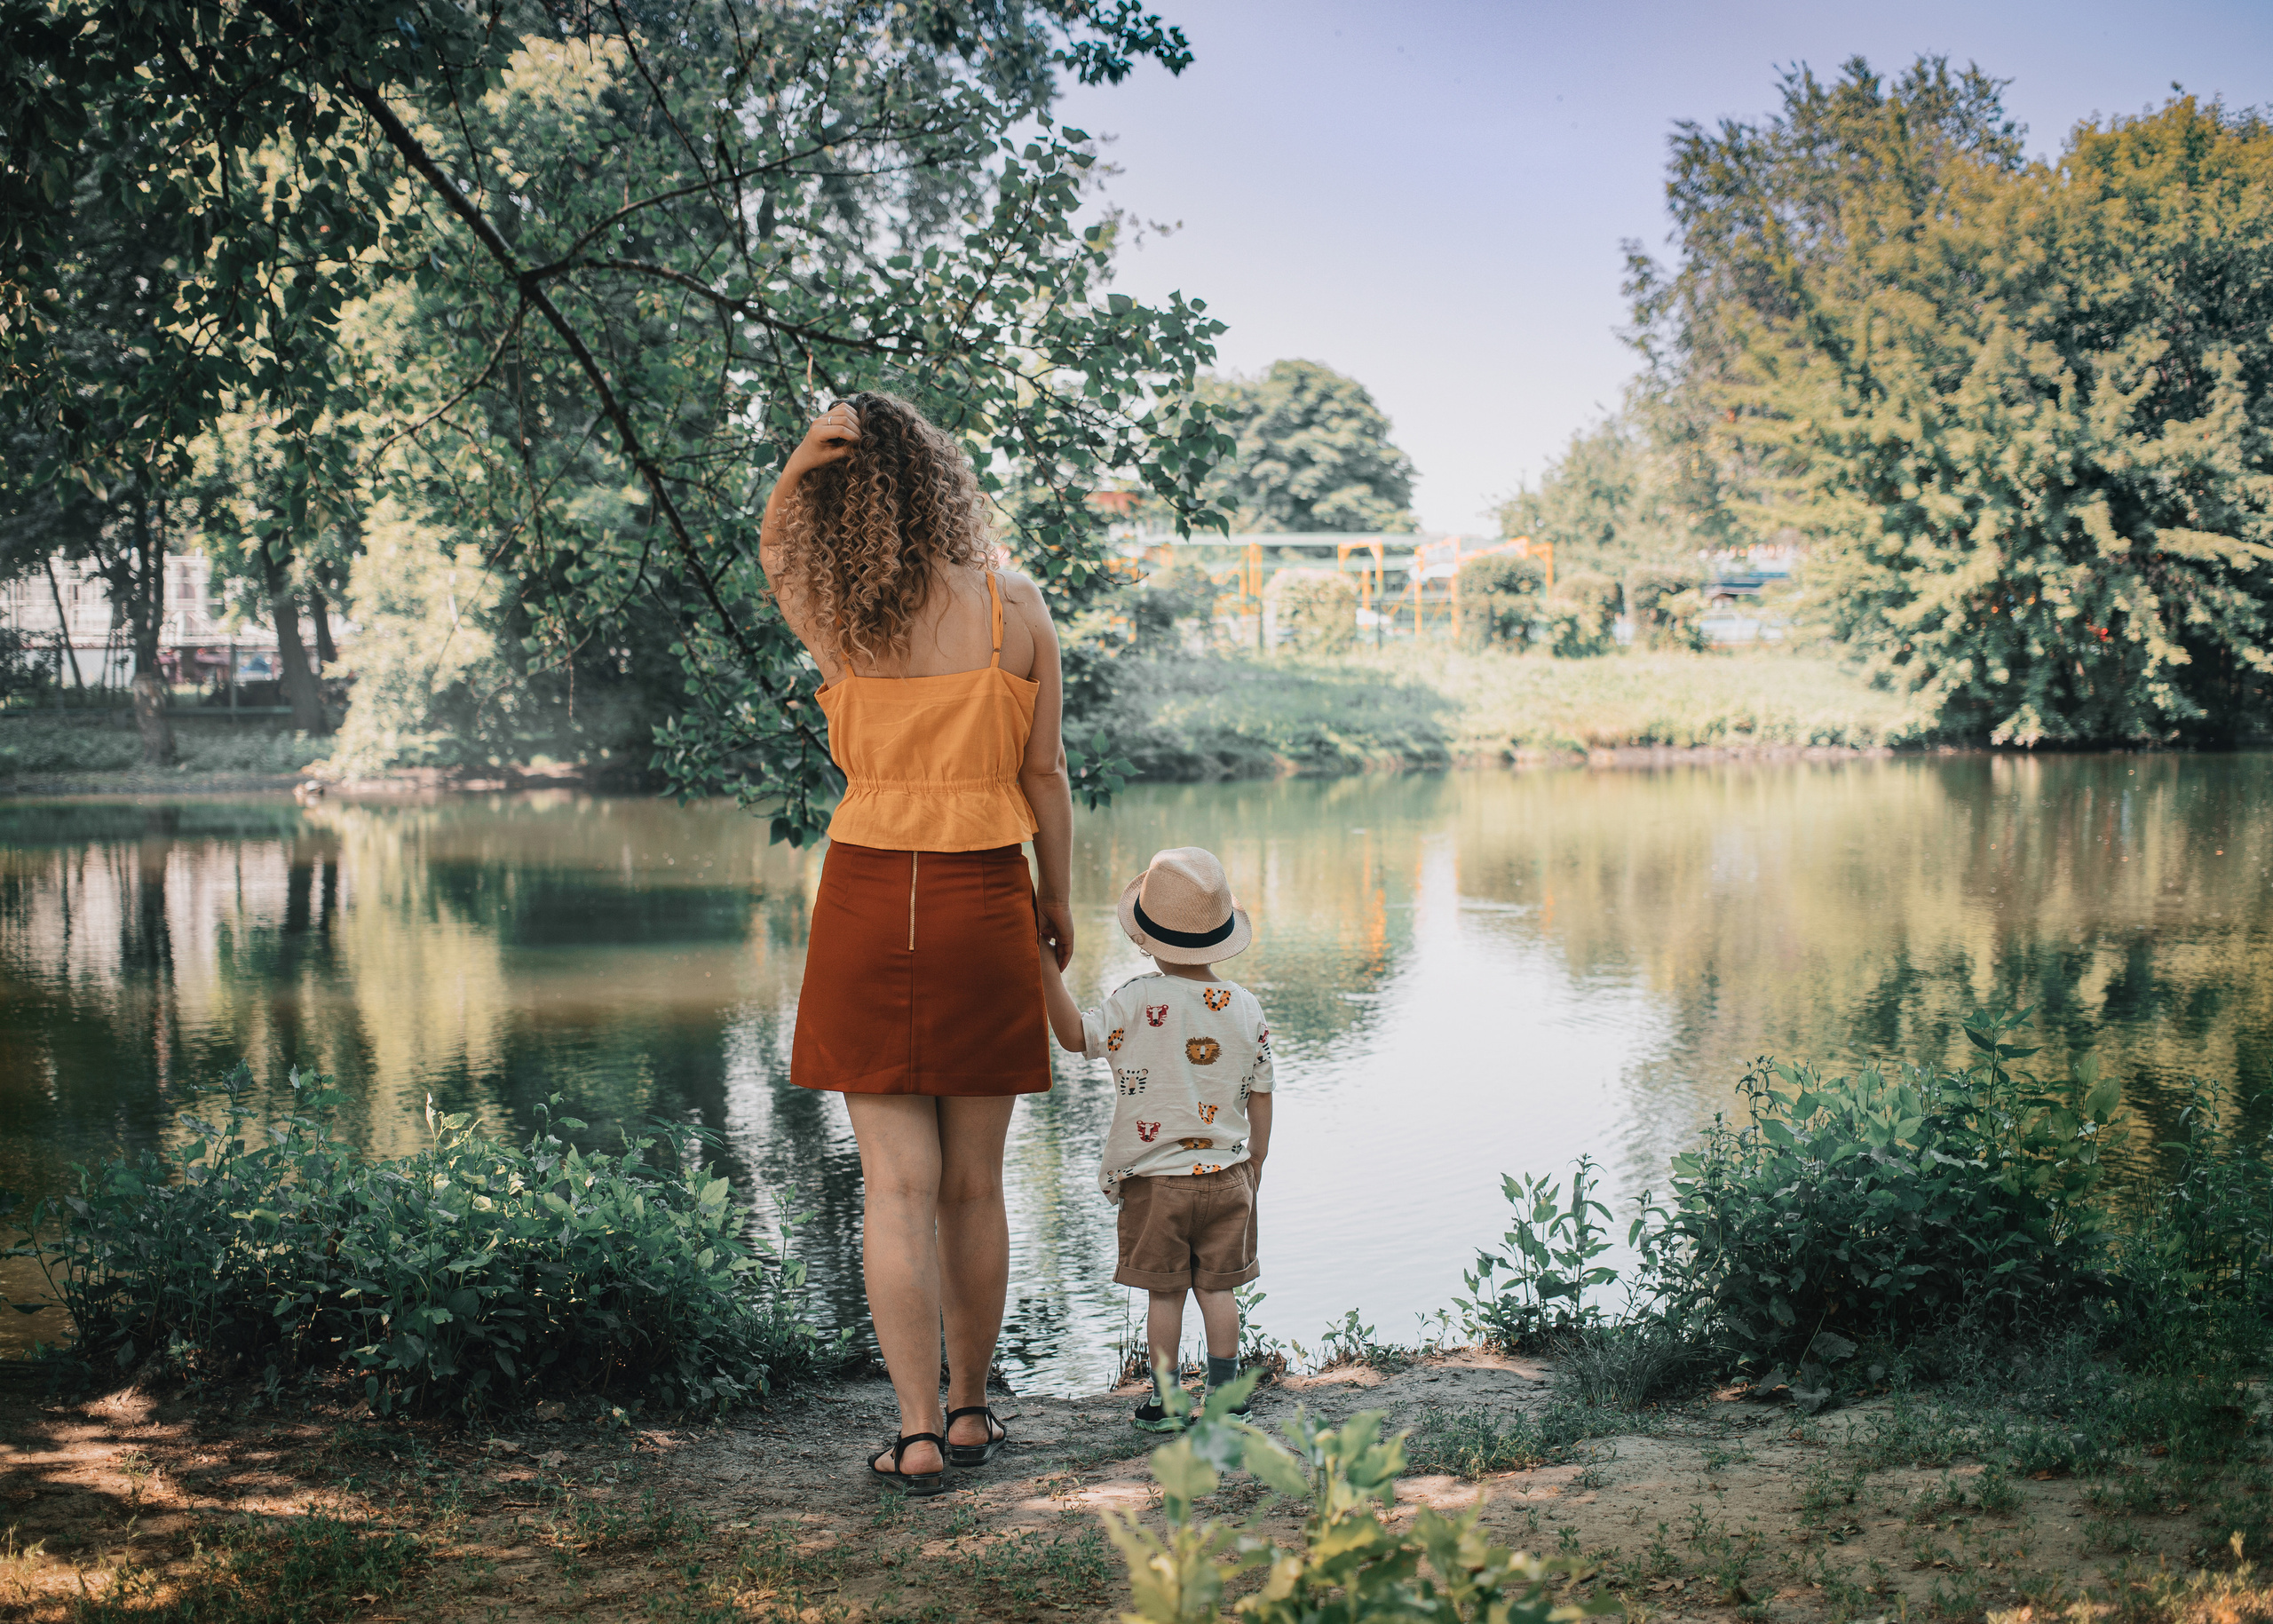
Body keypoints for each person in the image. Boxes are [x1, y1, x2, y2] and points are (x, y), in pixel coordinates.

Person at [761, 393, 1073, 1496]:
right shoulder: (1015, 605)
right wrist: (1059, 901)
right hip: (986, 892)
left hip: (864, 898)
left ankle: (917, 1431)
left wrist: (803, 461)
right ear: (942, 480)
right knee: (974, 1186)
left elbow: (773, 550)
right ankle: (978, 1409)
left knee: (897, 1185)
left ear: (851, 498)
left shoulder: (839, 612)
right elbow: (1046, 778)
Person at [1036, 845, 1275, 1432]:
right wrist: (1258, 1159)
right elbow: (1263, 1092)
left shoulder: (1134, 1000)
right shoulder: (1245, 1007)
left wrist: (1042, 963)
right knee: (1219, 1291)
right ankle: (1227, 1401)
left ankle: (1166, 1402)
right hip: (1228, 1175)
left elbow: (1073, 1037)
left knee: (1165, 1294)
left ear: (1146, 939)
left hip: (1154, 1182)